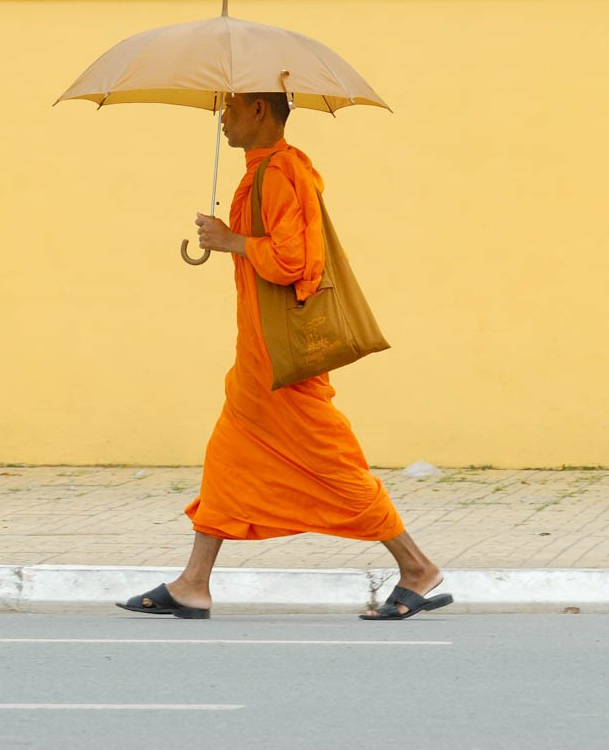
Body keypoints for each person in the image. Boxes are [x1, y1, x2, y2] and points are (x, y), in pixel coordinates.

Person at [117, 91, 452, 621]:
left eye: (230, 108)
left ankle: (417, 568)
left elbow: (293, 259)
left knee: (332, 461)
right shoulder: (264, 170)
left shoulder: (277, 173)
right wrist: (232, 241)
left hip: (281, 360)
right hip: (257, 354)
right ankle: (193, 584)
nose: (222, 117)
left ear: (258, 111)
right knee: (228, 457)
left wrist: (232, 241)